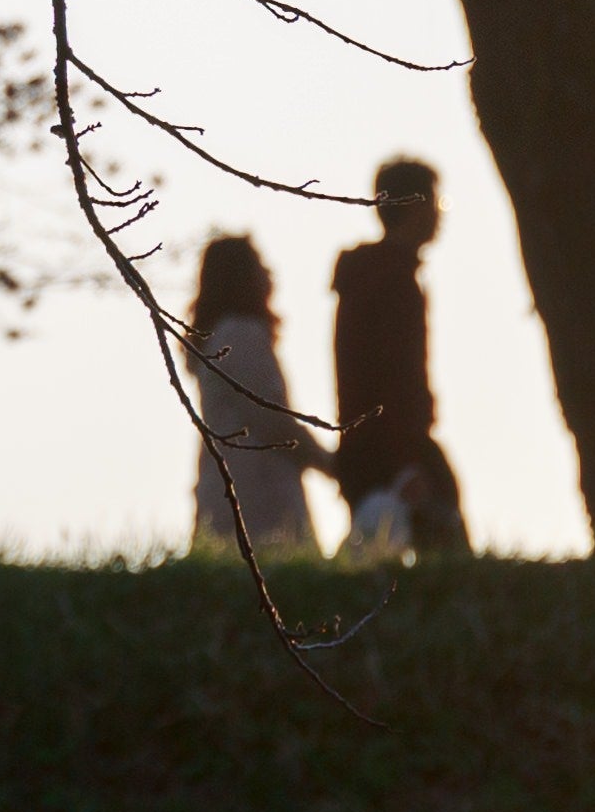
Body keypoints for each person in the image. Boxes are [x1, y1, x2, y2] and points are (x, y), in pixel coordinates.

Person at [332, 160, 472, 559]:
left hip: (368, 451)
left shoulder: (365, 278)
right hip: (395, 452)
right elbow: (394, 378)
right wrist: (407, 463)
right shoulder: (392, 282)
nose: (440, 213)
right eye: (436, 201)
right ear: (416, 205)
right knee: (449, 567)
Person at [181, 234, 323, 560]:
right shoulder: (240, 335)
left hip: (229, 493)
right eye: (259, 264)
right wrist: (330, 463)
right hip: (258, 499)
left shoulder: (218, 338)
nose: (268, 273)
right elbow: (273, 421)